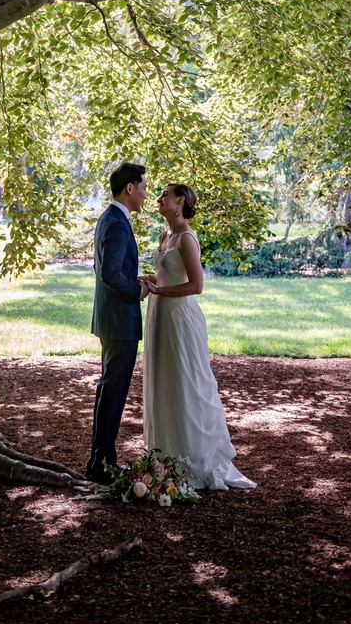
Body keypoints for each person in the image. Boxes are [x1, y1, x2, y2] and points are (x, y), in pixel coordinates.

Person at [142, 183, 256, 491]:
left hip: (180, 318)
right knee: (164, 382)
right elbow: (169, 275)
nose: (158, 198)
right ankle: (165, 455)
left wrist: (159, 289)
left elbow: (196, 285)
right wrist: (151, 280)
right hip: (160, 315)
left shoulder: (187, 237)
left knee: (185, 382)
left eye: (165, 195)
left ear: (179, 201)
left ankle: (194, 457)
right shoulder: (164, 235)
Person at [85, 161, 149, 484]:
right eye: (144, 187)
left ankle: (99, 458)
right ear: (130, 188)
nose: (146, 194)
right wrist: (137, 289)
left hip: (112, 319)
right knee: (112, 392)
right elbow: (109, 274)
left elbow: (110, 269)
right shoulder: (117, 223)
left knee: (107, 390)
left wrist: (132, 279)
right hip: (119, 321)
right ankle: (103, 463)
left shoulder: (111, 219)